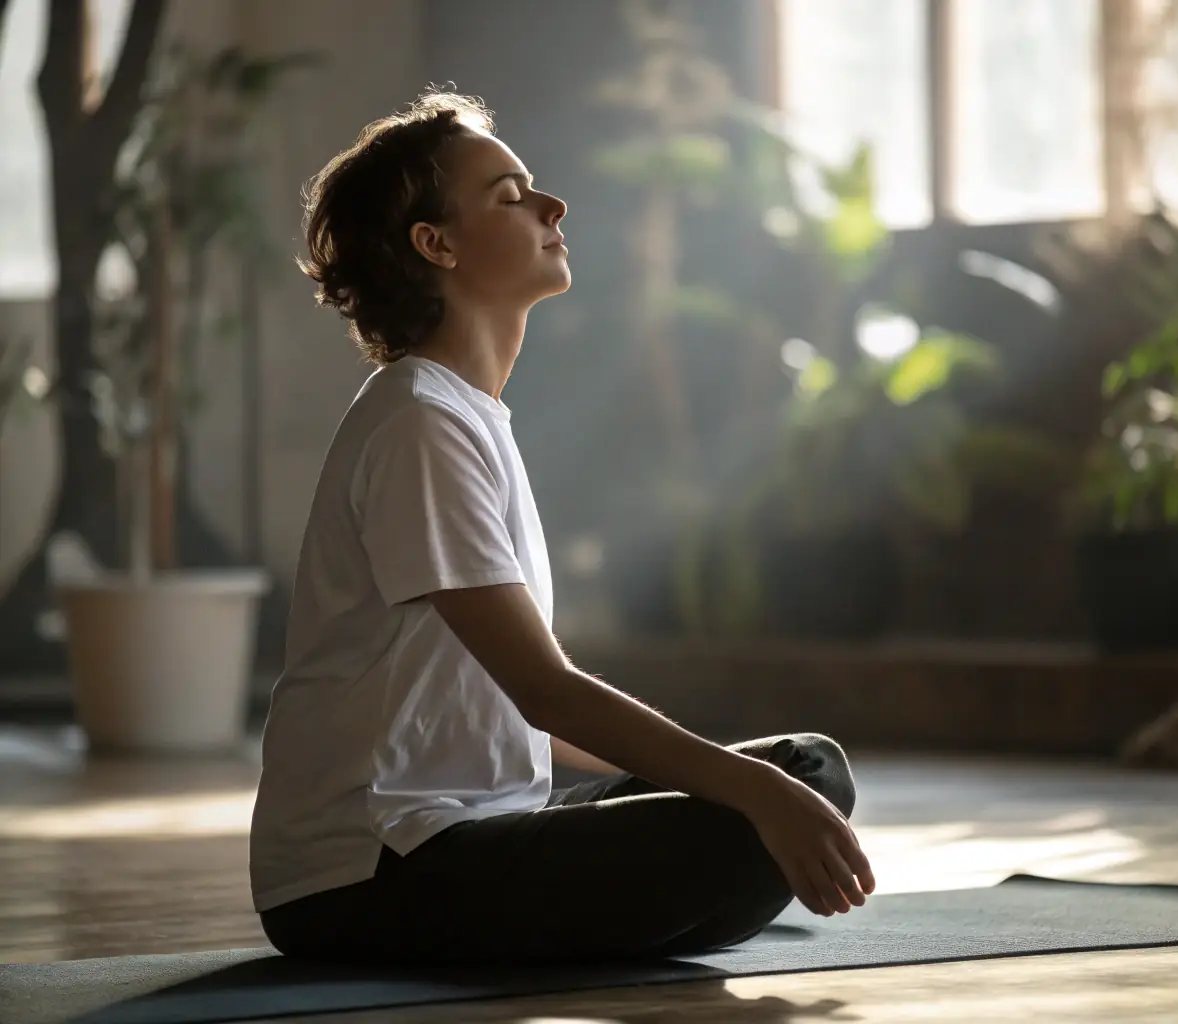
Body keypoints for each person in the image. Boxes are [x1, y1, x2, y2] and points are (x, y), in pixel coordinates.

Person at [248, 86, 875, 967]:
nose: (552, 206)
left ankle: (657, 896)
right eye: (508, 196)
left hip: (478, 829)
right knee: (747, 820)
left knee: (805, 769)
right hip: (366, 876)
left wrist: (749, 784)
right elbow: (543, 686)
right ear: (437, 245)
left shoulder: (466, 414)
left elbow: (514, 715)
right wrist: (744, 796)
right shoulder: (419, 421)